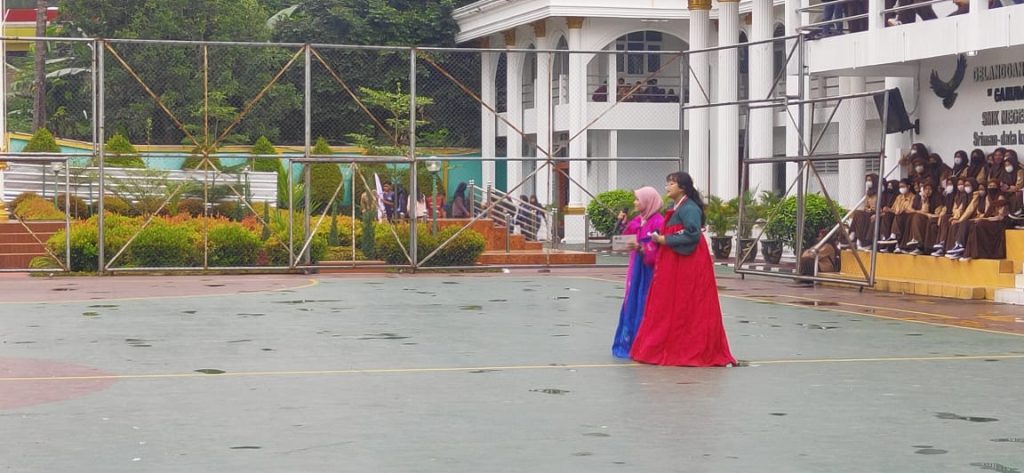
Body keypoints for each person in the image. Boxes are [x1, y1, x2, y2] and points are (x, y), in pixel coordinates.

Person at [630, 172, 736, 367]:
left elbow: (692, 234)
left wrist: (665, 239)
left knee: (688, 303)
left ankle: (686, 348)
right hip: (675, 261)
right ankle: (670, 346)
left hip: (688, 263)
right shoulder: (677, 207)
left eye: (671, 183)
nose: (667, 187)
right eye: (667, 183)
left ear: (683, 187)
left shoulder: (690, 208)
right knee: (671, 303)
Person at [611, 187, 665, 358]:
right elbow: (623, 239)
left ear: (648, 202)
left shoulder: (658, 222)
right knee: (632, 300)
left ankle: (644, 344)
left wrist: (642, 247)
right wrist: (621, 223)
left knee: (645, 301)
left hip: (649, 270)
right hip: (636, 268)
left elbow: (659, 250)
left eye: (638, 200)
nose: (635, 203)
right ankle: (630, 343)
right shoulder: (638, 220)